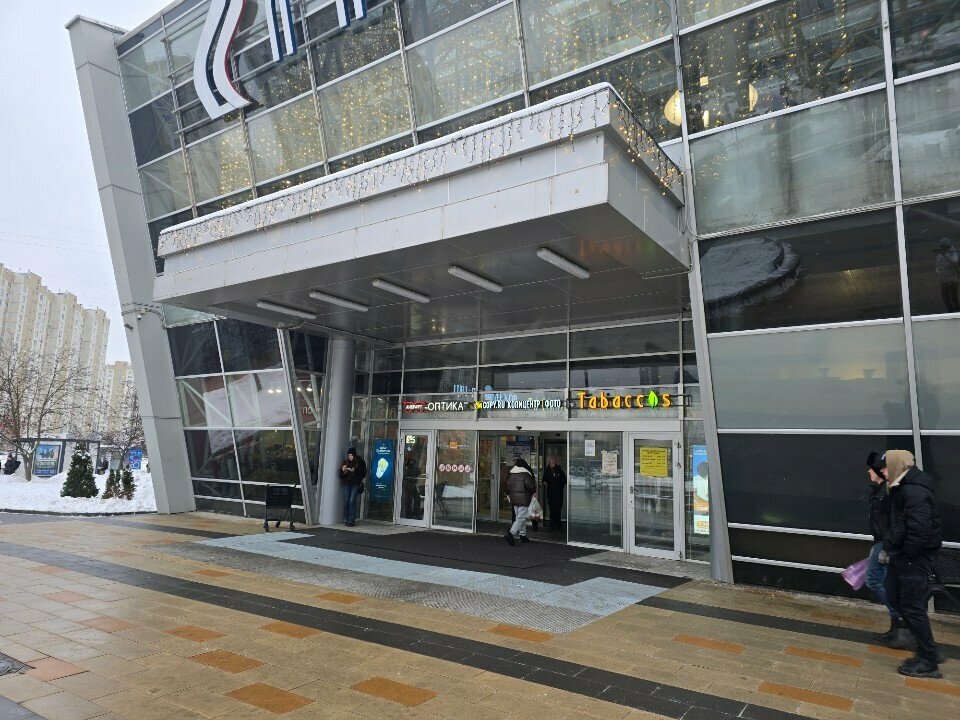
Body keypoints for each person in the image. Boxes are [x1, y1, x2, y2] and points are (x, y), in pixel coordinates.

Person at [880, 450, 943, 679]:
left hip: (913, 559)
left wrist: (907, 555)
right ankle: (926, 650)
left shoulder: (914, 490)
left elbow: (919, 529)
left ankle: (928, 660)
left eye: (885, 467)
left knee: (912, 607)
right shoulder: (903, 487)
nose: (882, 472)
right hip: (904, 556)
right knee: (896, 598)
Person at [864, 452, 909, 647]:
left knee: (874, 580)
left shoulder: (889, 492)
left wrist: (886, 547)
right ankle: (897, 626)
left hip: (885, 543)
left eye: (872, 469)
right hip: (882, 542)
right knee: (883, 582)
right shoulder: (882, 490)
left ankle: (900, 620)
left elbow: (894, 522)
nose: (869, 472)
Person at [504, 458, 536, 546]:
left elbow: (507, 485)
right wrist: (533, 493)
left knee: (519, 517)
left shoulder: (511, 473)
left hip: (514, 498)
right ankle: (511, 533)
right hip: (524, 499)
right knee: (521, 518)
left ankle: (522, 536)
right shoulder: (526, 474)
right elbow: (530, 486)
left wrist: (508, 494)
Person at [338, 447, 366, 527]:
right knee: (347, 501)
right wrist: (343, 470)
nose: (350, 457)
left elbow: (363, 474)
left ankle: (351, 520)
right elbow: (341, 476)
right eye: (349, 455)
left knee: (351, 501)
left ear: (355, 455)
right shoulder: (346, 462)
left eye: (351, 455)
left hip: (355, 484)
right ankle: (347, 519)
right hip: (347, 484)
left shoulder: (360, 462)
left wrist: (354, 471)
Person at [933, 238, 959, 312]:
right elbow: (937, 263)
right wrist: (937, 270)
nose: (941, 248)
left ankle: (957, 312)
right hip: (943, 280)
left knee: (954, 298)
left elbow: (955, 261)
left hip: (952, 280)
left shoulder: (953, 253)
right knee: (945, 298)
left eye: (943, 247)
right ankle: (950, 312)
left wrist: (946, 254)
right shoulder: (940, 254)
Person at [542, 456, 566, 532]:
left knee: (557, 508)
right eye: (549, 462)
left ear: (555, 462)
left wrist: (558, 485)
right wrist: (544, 482)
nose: (551, 463)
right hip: (550, 493)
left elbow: (564, 480)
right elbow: (544, 479)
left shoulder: (559, 470)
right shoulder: (547, 470)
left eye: (552, 462)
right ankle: (554, 524)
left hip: (558, 493)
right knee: (552, 508)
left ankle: (556, 524)